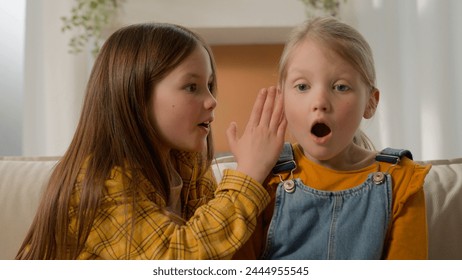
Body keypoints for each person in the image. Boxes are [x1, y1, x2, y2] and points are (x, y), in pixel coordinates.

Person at [16, 23, 287, 260]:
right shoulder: (99, 182)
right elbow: (174, 260)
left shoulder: (185, 163)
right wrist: (248, 175)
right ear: (136, 96)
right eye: (191, 87)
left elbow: (217, 246)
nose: (212, 100)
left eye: (209, 85)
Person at [233, 17, 431, 260]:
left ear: (370, 102)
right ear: (282, 97)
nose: (319, 103)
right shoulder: (264, 175)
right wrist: (247, 174)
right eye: (303, 86)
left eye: (340, 87)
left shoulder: (402, 180)